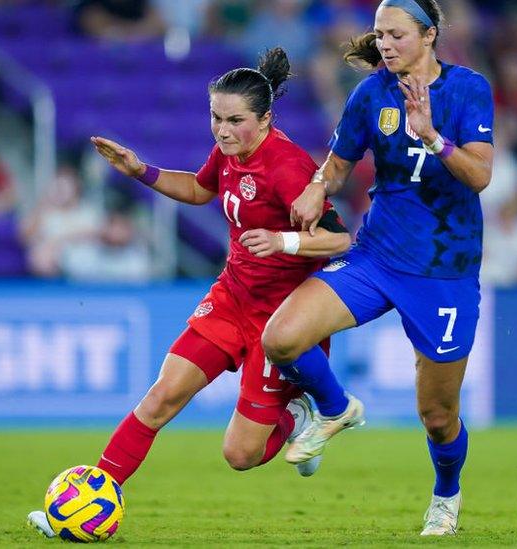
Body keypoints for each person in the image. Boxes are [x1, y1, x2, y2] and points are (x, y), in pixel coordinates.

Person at [27, 47, 351, 537]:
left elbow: (340, 238)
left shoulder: (287, 166)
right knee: (162, 397)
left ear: (265, 120)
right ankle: (85, 503)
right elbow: (201, 190)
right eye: (215, 117)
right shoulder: (227, 152)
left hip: (281, 319)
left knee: (240, 455)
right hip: (231, 299)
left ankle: (295, 411)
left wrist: (283, 240)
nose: (222, 131)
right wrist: (142, 171)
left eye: (234, 120)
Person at [260, 0, 493, 537]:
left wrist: (433, 136)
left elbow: (480, 176)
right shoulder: (371, 93)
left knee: (437, 416)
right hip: (377, 257)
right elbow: (339, 164)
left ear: (428, 35)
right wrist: (319, 186)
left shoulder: (468, 89)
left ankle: (445, 496)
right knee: (282, 339)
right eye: (378, 34)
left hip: (443, 271)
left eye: (394, 34)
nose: (383, 44)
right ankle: (336, 407)